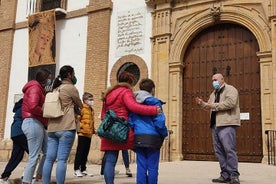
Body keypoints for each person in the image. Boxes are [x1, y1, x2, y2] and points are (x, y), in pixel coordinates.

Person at [100, 71, 161, 184]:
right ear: (129, 82)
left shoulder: (108, 93)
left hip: (109, 129)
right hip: (123, 130)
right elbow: (134, 107)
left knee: (110, 160)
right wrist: (152, 110)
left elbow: (103, 115)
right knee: (144, 153)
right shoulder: (126, 92)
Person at [195, 73, 240, 184]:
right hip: (215, 125)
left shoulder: (231, 89)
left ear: (222, 79)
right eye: (212, 80)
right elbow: (209, 106)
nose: (213, 81)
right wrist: (202, 104)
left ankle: (234, 175)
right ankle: (225, 174)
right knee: (219, 151)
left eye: (215, 79)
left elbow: (230, 103)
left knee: (229, 149)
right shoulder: (213, 93)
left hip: (226, 124)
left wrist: (212, 105)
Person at [42, 65, 83, 184]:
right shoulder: (70, 88)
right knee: (62, 160)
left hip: (52, 128)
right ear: (69, 74)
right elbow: (80, 104)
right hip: (66, 127)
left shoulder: (55, 89)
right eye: (73, 74)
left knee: (49, 159)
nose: (74, 76)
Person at [129, 78, 168, 184]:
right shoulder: (155, 102)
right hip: (153, 138)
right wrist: (164, 133)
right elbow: (159, 122)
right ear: (152, 89)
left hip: (139, 137)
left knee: (141, 166)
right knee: (152, 167)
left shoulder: (134, 103)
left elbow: (131, 121)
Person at [21, 68, 52, 184]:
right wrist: (45, 112)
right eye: (49, 77)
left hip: (38, 123)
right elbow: (33, 106)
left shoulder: (39, 89)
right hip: (32, 122)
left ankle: (39, 174)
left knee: (48, 151)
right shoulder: (35, 88)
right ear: (44, 78)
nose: (50, 80)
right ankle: (27, 181)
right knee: (34, 156)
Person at [0, 98, 29, 182]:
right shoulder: (24, 107)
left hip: (15, 133)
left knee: (16, 156)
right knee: (35, 153)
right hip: (21, 132)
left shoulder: (18, 108)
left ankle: (5, 175)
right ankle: (27, 174)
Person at [74, 92, 95, 177]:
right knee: (80, 152)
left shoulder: (91, 110)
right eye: (90, 99)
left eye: (92, 99)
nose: (92, 101)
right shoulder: (82, 108)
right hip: (82, 133)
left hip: (89, 134)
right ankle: (76, 169)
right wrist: (82, 127)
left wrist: (93, 130)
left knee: (86, 152)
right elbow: (78, 120)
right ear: (85, 100)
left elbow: (92, 121)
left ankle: (83, 168)